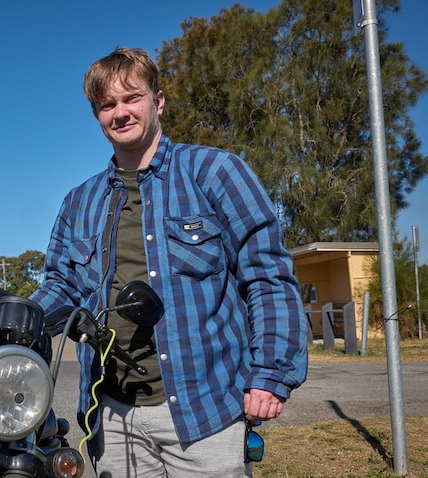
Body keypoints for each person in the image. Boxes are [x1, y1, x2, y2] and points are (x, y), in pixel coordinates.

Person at [30, 47, 308, 477]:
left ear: (158, 101)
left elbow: (267, 276)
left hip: (206, 409)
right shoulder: (79, 201)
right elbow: (61, 286)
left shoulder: (215, 172)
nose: (120, 113)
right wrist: (14, 314)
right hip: (112, 415)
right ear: (97, 116)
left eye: (131, 98)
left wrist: (271, 373)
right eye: (107, 105)